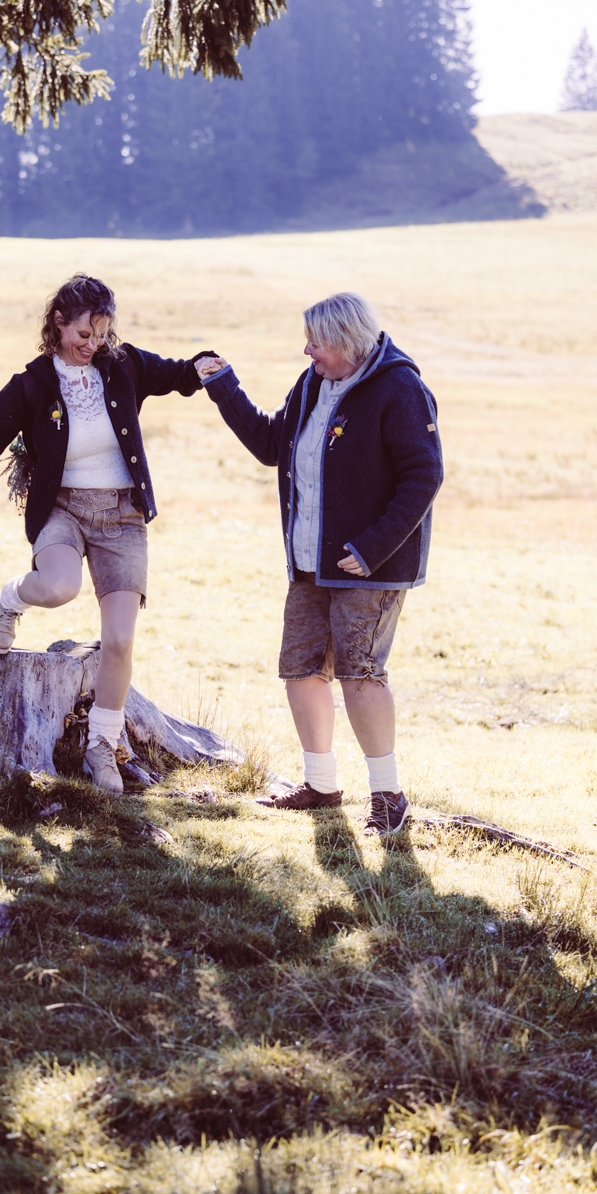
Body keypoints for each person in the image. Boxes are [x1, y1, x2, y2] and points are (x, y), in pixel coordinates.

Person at [0, 273, 218, 795]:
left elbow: (176, 374)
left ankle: (100, 747)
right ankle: (9, 601)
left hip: (123, 518)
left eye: (101, 336)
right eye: (83, 335)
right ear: (58, 323)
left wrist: (204, 366)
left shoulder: (124, 364)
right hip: (62, 510)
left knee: (118, 640)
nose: (92, 346)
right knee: (58, 587)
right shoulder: (32, 384)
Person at [196, 292, 443, 835]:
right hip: (310, 562)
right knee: (302, 671)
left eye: (316, 341)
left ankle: (388, 799)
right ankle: (322, 786)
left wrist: (372, 548)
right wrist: (223, 386)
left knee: (361, 675)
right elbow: (270, 444)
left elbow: (424, 476)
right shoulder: (312, 385)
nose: (306, 350)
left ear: (348, 341)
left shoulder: (400, 389)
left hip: (369, 566)